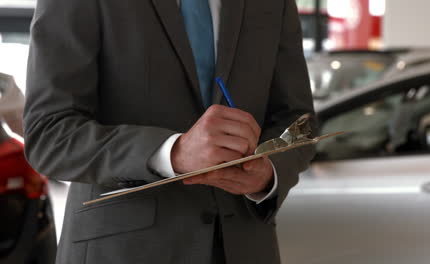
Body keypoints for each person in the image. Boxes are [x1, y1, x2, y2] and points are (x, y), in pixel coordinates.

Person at [23, 0, 315, 263]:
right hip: (124, 250)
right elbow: (49, 134)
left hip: (246, 248)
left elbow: (298, 120)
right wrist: (171, 153)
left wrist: (269, 170)